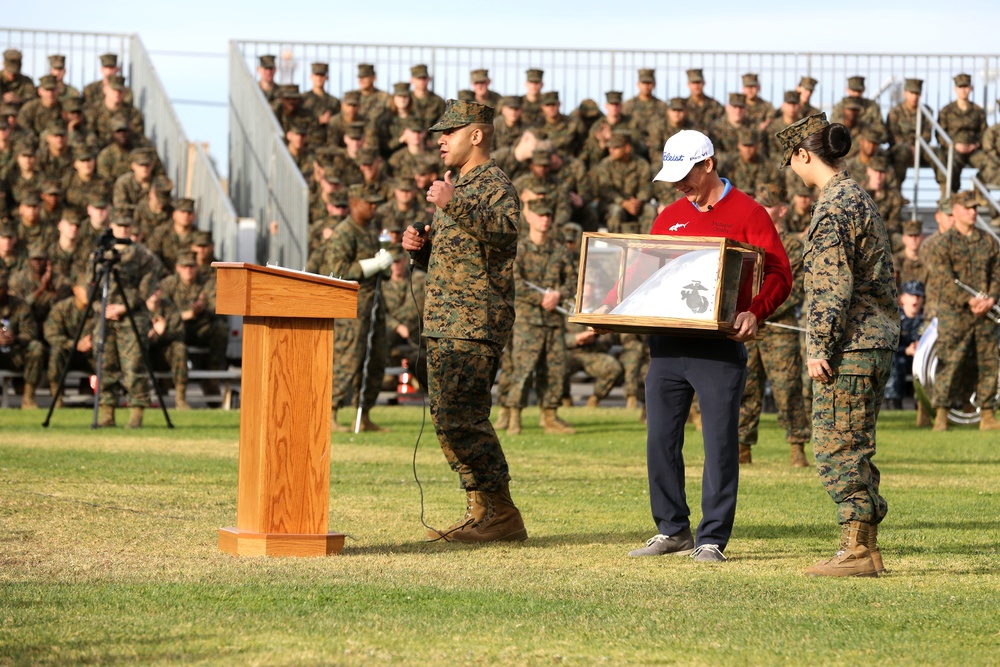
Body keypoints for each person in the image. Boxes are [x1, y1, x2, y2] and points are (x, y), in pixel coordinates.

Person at [628, 130, 792, 562]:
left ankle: (712, 538)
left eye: (685, 174)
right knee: (659, 440)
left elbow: (780, 274)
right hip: (666, 347)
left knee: (720, 443)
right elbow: (645, 274)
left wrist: (756, 310)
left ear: (709, 164)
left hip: (719, 350)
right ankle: (672, 530)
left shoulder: (750, 212)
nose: (678, 184)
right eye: (672, 176)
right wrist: (606, 311)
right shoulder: (668, 216)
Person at [777, 112, 899, 577]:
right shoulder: (857, 196)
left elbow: (831, 286)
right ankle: (863, 549)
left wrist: (818, 347)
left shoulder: (833, 205)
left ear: (804, 154)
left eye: (792, 160)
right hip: (873, 341)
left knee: (837, 447)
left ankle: (857, 552)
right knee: (854, 444)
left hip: (850, 346)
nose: (793, 170)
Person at [402, 99, 526, 543]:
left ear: (476, 136)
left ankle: (502, 513)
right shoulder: (459, 185)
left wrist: (454, 204)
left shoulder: (494, 184)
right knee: (446, 417)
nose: (440, 140)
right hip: (445, 320)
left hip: (474, 323)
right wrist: (421, 250)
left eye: (449, 132)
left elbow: (505, 233)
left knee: (465, 418)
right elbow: (460, 257)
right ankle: (480, 508)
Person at [737, 184, 811, 467]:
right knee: (746, 386)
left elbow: (797, 286)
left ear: (781, 210)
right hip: (745, 325)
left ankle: (797, 447)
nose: (764, 210)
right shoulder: (746, 242)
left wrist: (763, 310)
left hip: (777, 325)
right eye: (760, 204)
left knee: (787, 387)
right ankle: (742, 448)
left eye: (769, 205)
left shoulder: (793, 246)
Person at [924, 189, 1000, 431]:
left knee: (987, 362)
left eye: (975, 208)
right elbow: (943, 280)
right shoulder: (942, 244)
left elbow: (997, 273)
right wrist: (969, 301)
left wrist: (990, 299)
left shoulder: (988, 241)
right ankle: (942, 414)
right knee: (950, 361)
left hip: (985, 314)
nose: (973, 212)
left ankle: (987, 413)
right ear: (955, 212)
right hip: (955, 313)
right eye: (968, 208)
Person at [505, 198, 577, 434]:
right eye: (540, 215)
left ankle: (550, 416)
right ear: (529, 217)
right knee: (523, 369)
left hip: (554, 321)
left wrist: (558, 295)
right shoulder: (520, 249)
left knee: (554, 370)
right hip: (528, 320)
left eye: (548, 215)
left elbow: (573, 281)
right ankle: (514, 415)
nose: (544, 220)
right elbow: (513, 282)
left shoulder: (559, 251)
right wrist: (542, 299)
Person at [883, 280, 925, 411]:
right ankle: (893, 401)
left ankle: (923, 403)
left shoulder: (926, 319)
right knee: (893, 360)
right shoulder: (894, 318)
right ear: (902, 298)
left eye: (919, 296)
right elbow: (888, 344)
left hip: (920, 358)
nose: (916, 299)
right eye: (912, 295)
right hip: (901, 356)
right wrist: (906, 350)